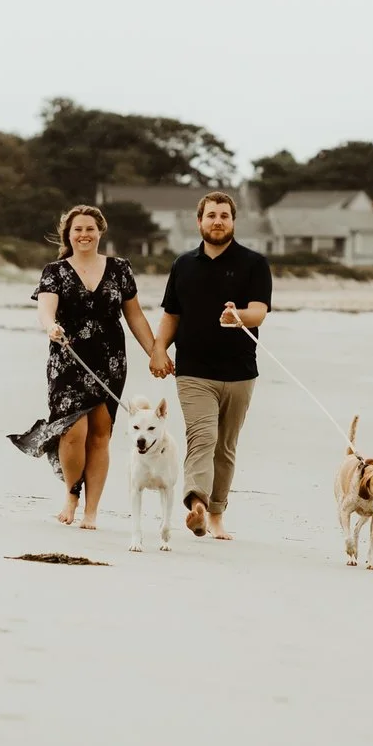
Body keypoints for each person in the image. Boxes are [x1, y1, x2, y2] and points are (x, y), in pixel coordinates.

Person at [9, 205, 164, 529]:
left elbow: (134, 316)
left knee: (99, 436)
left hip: (109, 361)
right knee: (72, 432)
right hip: (67, 359)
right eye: (77, 229)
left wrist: (155, 351)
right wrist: (51, 326)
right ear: (68, 234)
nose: (84, 235)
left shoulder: (120, 269)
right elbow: (45, 309)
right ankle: (72, 494)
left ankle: (91, 510)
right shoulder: (54, 271)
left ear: (100, 231)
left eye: (90, 229)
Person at [149, 191, 272, 540]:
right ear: (199, 221)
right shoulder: (183, 265)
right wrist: (159, 350)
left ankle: (217, 513)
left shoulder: (254, 263)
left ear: (233, 221)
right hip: (193, 371)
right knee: (203, 437)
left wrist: (238, 316)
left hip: (240, 372)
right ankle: (197, 504)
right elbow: (172, 314)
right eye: (211, 215)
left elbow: (259, 311)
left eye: (224, 216)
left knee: (225, 448)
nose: (217, 221)